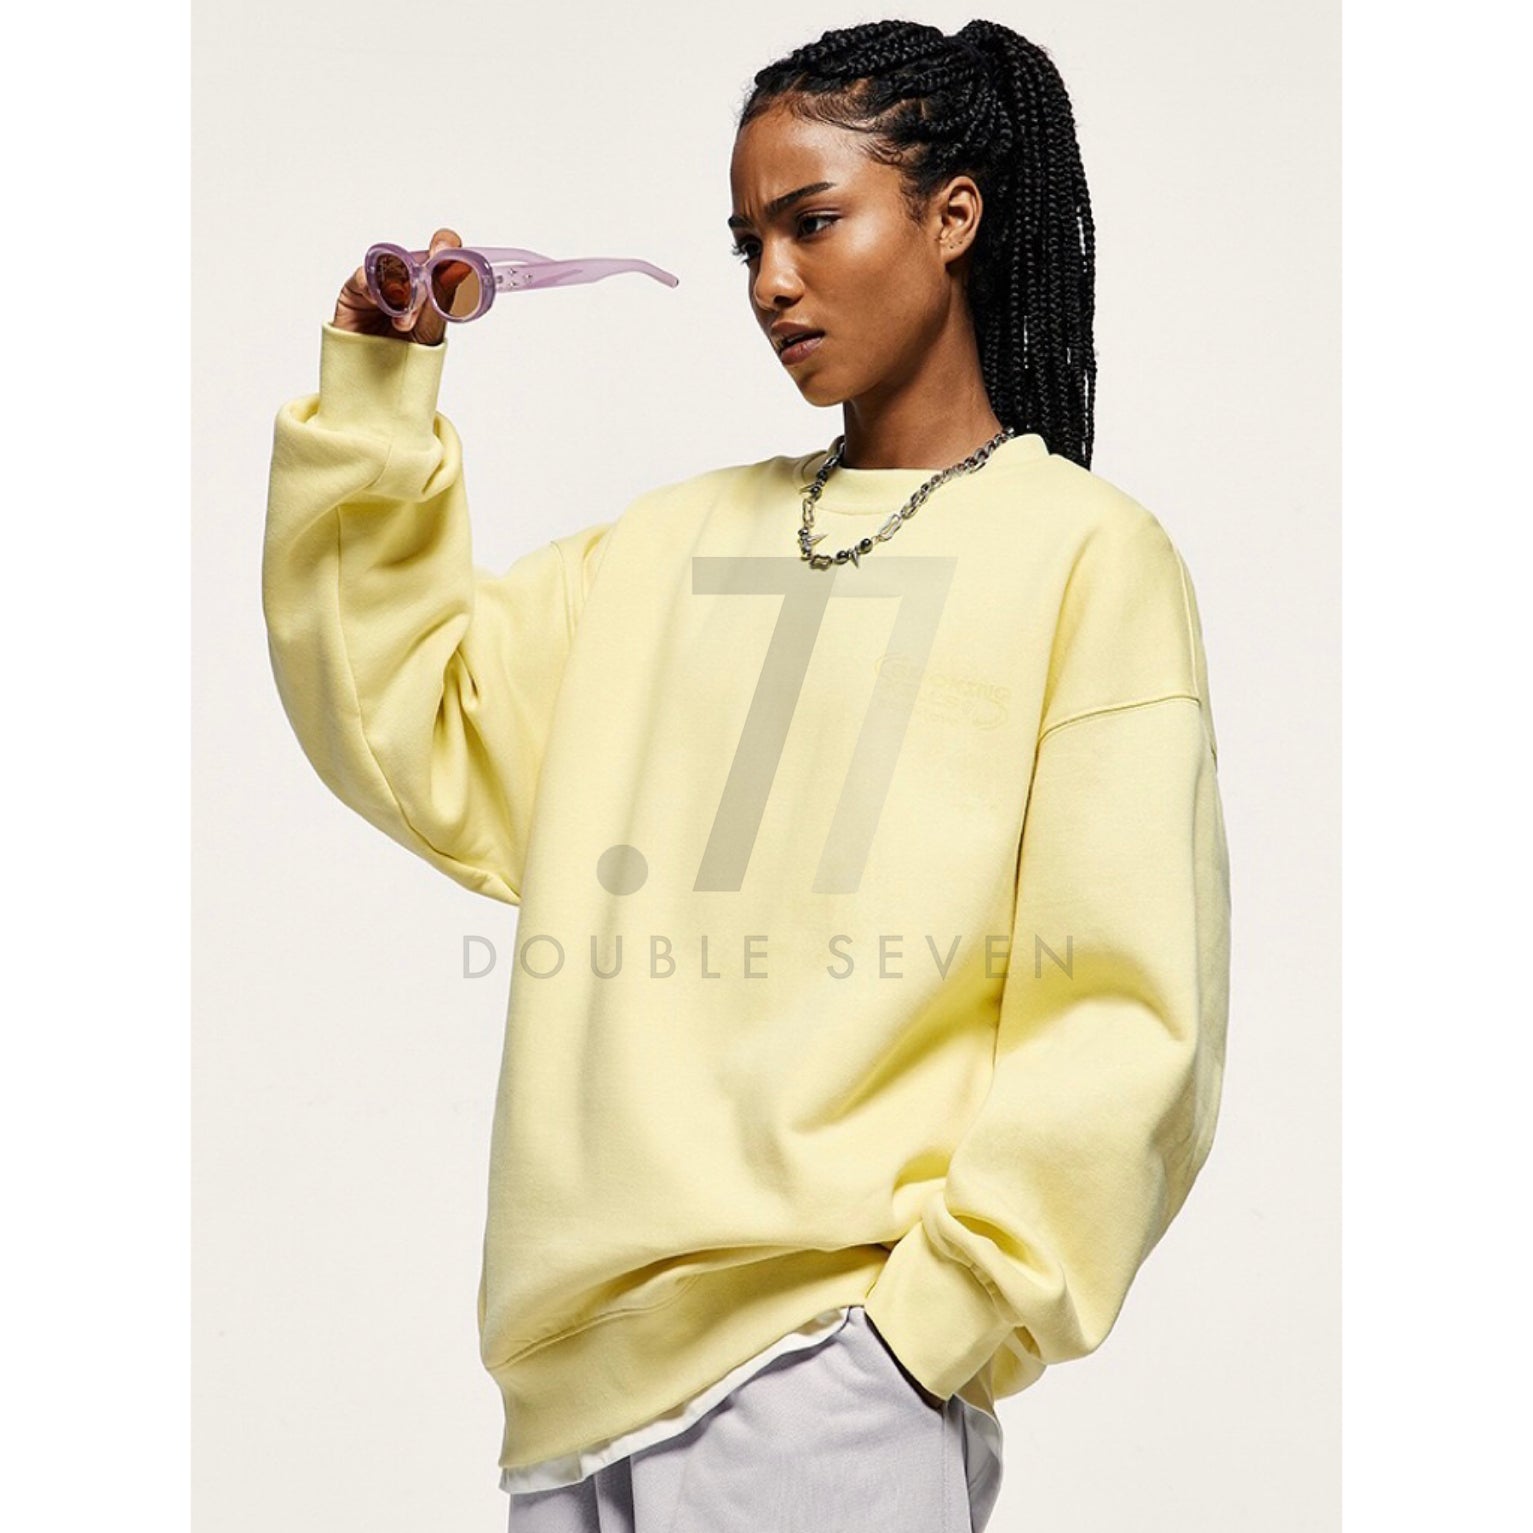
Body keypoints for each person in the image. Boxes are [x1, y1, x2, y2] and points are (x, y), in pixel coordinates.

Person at [261, 17, 1231, 1533]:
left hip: (822, 1388)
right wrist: (382, 395)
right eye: (747, 242)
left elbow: (1124, 1009)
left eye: (813, 222)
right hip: (567, 1408)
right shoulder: (666, 546)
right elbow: (407, 718)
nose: (772, 280)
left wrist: (925, 1331)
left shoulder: (1085, 559)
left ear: (953, 217)